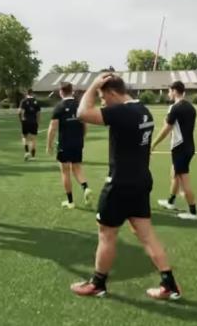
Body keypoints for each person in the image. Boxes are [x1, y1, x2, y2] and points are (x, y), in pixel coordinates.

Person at [71, 74, 182, 300]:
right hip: (141, 180)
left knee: (106, 234)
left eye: (103, 97)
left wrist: (92, 86)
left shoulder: (122, 111)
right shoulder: (144, 110)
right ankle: (169, 285)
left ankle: (97, 284)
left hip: (120, 184)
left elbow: (82, 113)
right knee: (146, 235)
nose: (102, 102)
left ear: (112, 92)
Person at [153, 81, 197, 220]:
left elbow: (166, 129)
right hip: (188, 147)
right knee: (174, 174)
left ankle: (193, 212)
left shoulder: (175, 108)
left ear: (174, 91)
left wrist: (153, 144)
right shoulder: (191, 107)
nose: (168, 94)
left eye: (169, 91)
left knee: (184, 180)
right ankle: (171, 201)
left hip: (180, 148)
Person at [46, 82, 91, 209]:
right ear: (72, 91)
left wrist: (49, 145)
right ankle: (86, 188)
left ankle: (70, 202)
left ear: (61, 92)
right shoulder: (79, 105)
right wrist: (82, 138)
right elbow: (85, 124)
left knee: (65, 171)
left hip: (64, 144)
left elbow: (52, 128)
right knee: (77, 167)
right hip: (78, 142)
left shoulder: (59, 107)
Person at [19, 89, 41, 161]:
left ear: (27, 93)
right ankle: (33, 157)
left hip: (25, 121)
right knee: (33, 139)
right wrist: (38, 122)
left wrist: (21, 120)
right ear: (32, 93)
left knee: (24, 137)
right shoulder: (36, 102)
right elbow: (38, 113)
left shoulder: (24, 101)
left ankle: (26, 152)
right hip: (34, 122)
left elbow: (20, 112)